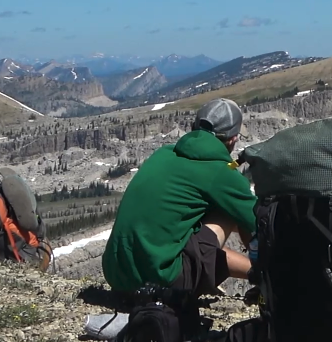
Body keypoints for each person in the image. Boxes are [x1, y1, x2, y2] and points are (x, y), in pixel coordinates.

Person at [101, 98, 256, 297]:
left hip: (117, 275)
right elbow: (258, 221)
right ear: (233, 139)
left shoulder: (164, 153)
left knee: (199, 225)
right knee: (230, 213)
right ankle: (264, 275)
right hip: (161, 281)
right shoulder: (220, 173)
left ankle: (254, 273)